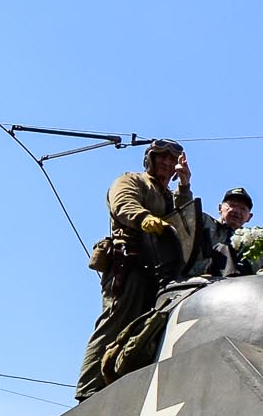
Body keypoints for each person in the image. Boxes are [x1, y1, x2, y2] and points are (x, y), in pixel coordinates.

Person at [77, 139, 193, 400]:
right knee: (114, 324)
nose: (166, 163)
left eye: (171, 159)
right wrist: (144, 218)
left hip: (159, 273)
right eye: (161, 157)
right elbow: (123, 204)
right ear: (150, 159)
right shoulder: (132, 180)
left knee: (143, 332)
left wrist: (184, 185)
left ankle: (120, 386)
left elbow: (185, 220)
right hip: (129, 264)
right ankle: (88, 391)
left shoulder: (168, 195)